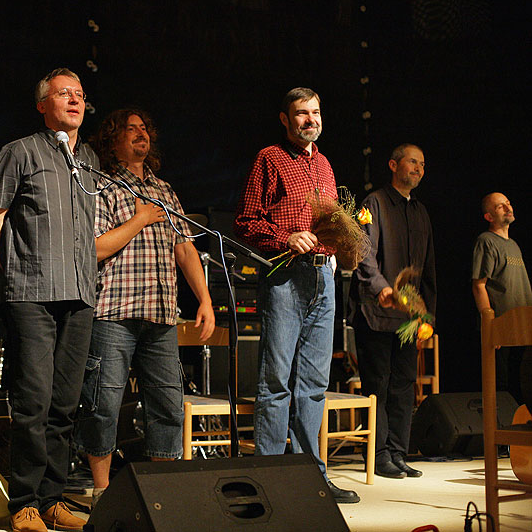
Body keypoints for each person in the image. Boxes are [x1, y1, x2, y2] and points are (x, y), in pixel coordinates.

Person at [73, 109, 216, 507]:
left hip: (161, 314)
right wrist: (139, 220)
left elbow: (185, 249)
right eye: (130, 129)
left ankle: (160, 490)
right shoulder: (100, 186)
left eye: (144, 129)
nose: (140, 135)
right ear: (113, 140)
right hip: (114, 312)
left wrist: (204, 300)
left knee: (168, 405)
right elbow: (94, 247)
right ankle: (101, 491)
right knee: (103, 403)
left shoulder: (165, 190)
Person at [0, 68, 97, 532]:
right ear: (42, 104)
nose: (74, 100)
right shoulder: (20, 151)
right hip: (32, 294)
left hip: (80, 294)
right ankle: (24, 502)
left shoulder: (87, 160)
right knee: (32, 401)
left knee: (65, 404)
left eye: (80, 94)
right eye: (63, 93)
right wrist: (18, 272)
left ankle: (52, 498)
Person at [234, 87, 359, 503]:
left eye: (316, 112)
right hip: (286, 276)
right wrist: (286, 236)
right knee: (275, 382)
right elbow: (246, 222)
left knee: (314, 385)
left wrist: (346, 243)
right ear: (285, 119)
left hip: (325, 279)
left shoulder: (324, 163)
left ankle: (312, 475)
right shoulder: (270, 158)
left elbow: (330, 223)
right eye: (301, 114)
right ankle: (269, 476)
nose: (311, 120)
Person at [349, 144, 436, 479]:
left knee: (404, 384)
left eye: (422, 164)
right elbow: (363, 252)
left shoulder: (420, 212)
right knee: (379, 384)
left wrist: (427, 313)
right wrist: (381, 286)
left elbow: (427, 267)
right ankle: (379, 453)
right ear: (393, 165)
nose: (418, 168)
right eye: (413, 161)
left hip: (409, 318)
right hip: (377, 310)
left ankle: (398, 452)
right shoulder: (375, 203)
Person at [471, 192, 532, 406]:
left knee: (523, 386)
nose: (507, 208)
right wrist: (491, 327)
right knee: (503, 387)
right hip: (503, 329)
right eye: (500, 206)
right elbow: (479, 285)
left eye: (508, 203)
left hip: (523, 327)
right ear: (489, 216)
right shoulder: (486, 241)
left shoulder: (514, 245)